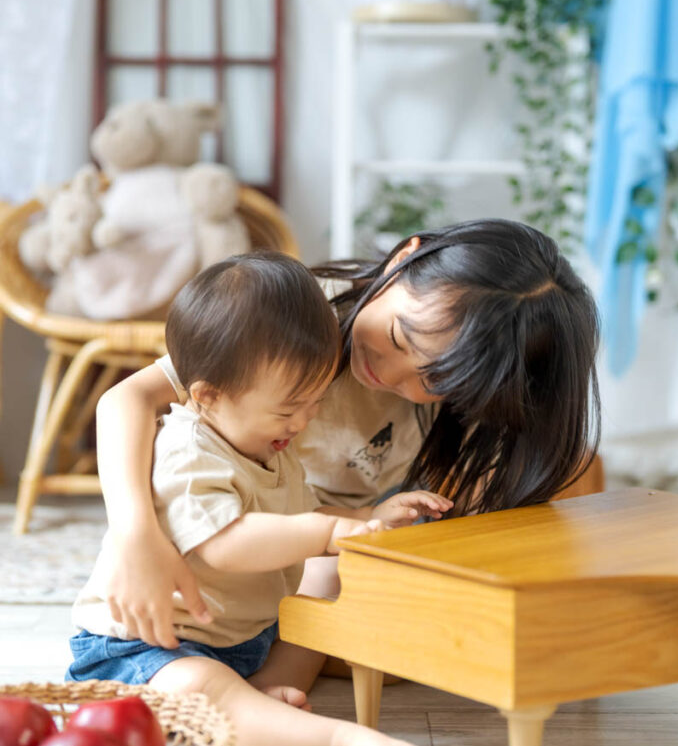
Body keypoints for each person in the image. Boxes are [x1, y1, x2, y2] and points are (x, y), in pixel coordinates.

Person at [95, 219, 601, 655]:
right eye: (400, 337)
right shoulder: (296, 320)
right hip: (233, 514)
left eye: (436, 380)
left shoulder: (469, 393)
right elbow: (128, 399)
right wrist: (134, 533)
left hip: (328, 527)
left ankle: (275, 688)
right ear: (403, 258)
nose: (393, 373)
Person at [67, 252, 437, 746]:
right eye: (289, 410)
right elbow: (226, 546)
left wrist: (363, 519)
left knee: (329, 586)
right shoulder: (190, 451)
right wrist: (327, 532)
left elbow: (296, 522)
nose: (305, 422)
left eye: (314, 403)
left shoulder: (263, 442)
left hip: (241, 635)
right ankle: (340, 745)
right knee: (206, 693)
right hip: (147, 650)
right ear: (207, 396)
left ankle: (268, 689)